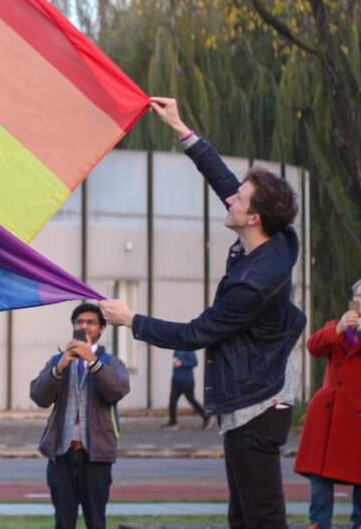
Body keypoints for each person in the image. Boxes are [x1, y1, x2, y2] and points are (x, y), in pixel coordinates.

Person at [101, 96, 307, 529]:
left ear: (253, 218)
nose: (231, 199)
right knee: (242, 516)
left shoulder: (253, 285)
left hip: (257, 404)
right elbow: (224, 182)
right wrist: (182, 129)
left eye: (241, 199)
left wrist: (130, 320)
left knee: (263, 517)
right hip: (254, 398)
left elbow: (197, 333)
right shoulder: (278, 236)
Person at [31, 302, 129, 529]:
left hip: (96, 456)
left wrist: (92, 362)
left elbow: (116, 391)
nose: (84, 326)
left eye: (90, 322)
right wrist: (60, 367)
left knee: (96, 521)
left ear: (101, 329)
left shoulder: (111, 363)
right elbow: (39, 397)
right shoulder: (58, 361)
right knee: (63, 523)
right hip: (62, 454)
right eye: (79, 322)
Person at [294, 280, 361, 529]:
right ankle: (318, 524)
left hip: (357, 414)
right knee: (320, 475)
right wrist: (341, 327)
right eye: (359, 295)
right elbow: (314, 347)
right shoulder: (338, 328)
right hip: (330, 412)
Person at [162, 349, 210, 431]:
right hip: (176, 381)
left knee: (191, 400)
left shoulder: (189, 350)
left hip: (187, 381)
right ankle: (173, 422)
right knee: (172, 401)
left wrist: (182, 363)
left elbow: (195, 363)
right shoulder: (176, 350)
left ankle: (206, 416)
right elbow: (175, 361)